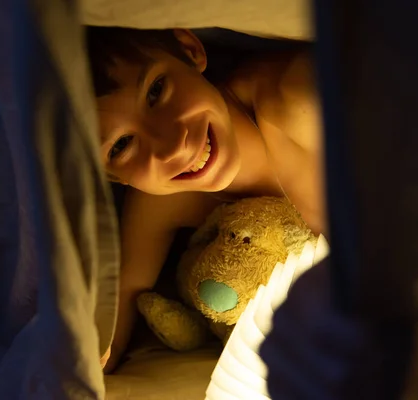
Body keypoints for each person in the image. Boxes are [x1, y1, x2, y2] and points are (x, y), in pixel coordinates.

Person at [85, 27, 326, 372]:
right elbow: (114, 317)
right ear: (113, 177)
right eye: (121, 146)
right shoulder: (163, 201)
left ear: (189, 50)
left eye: (156, 90)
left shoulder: (295, 102)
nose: (170, 145)